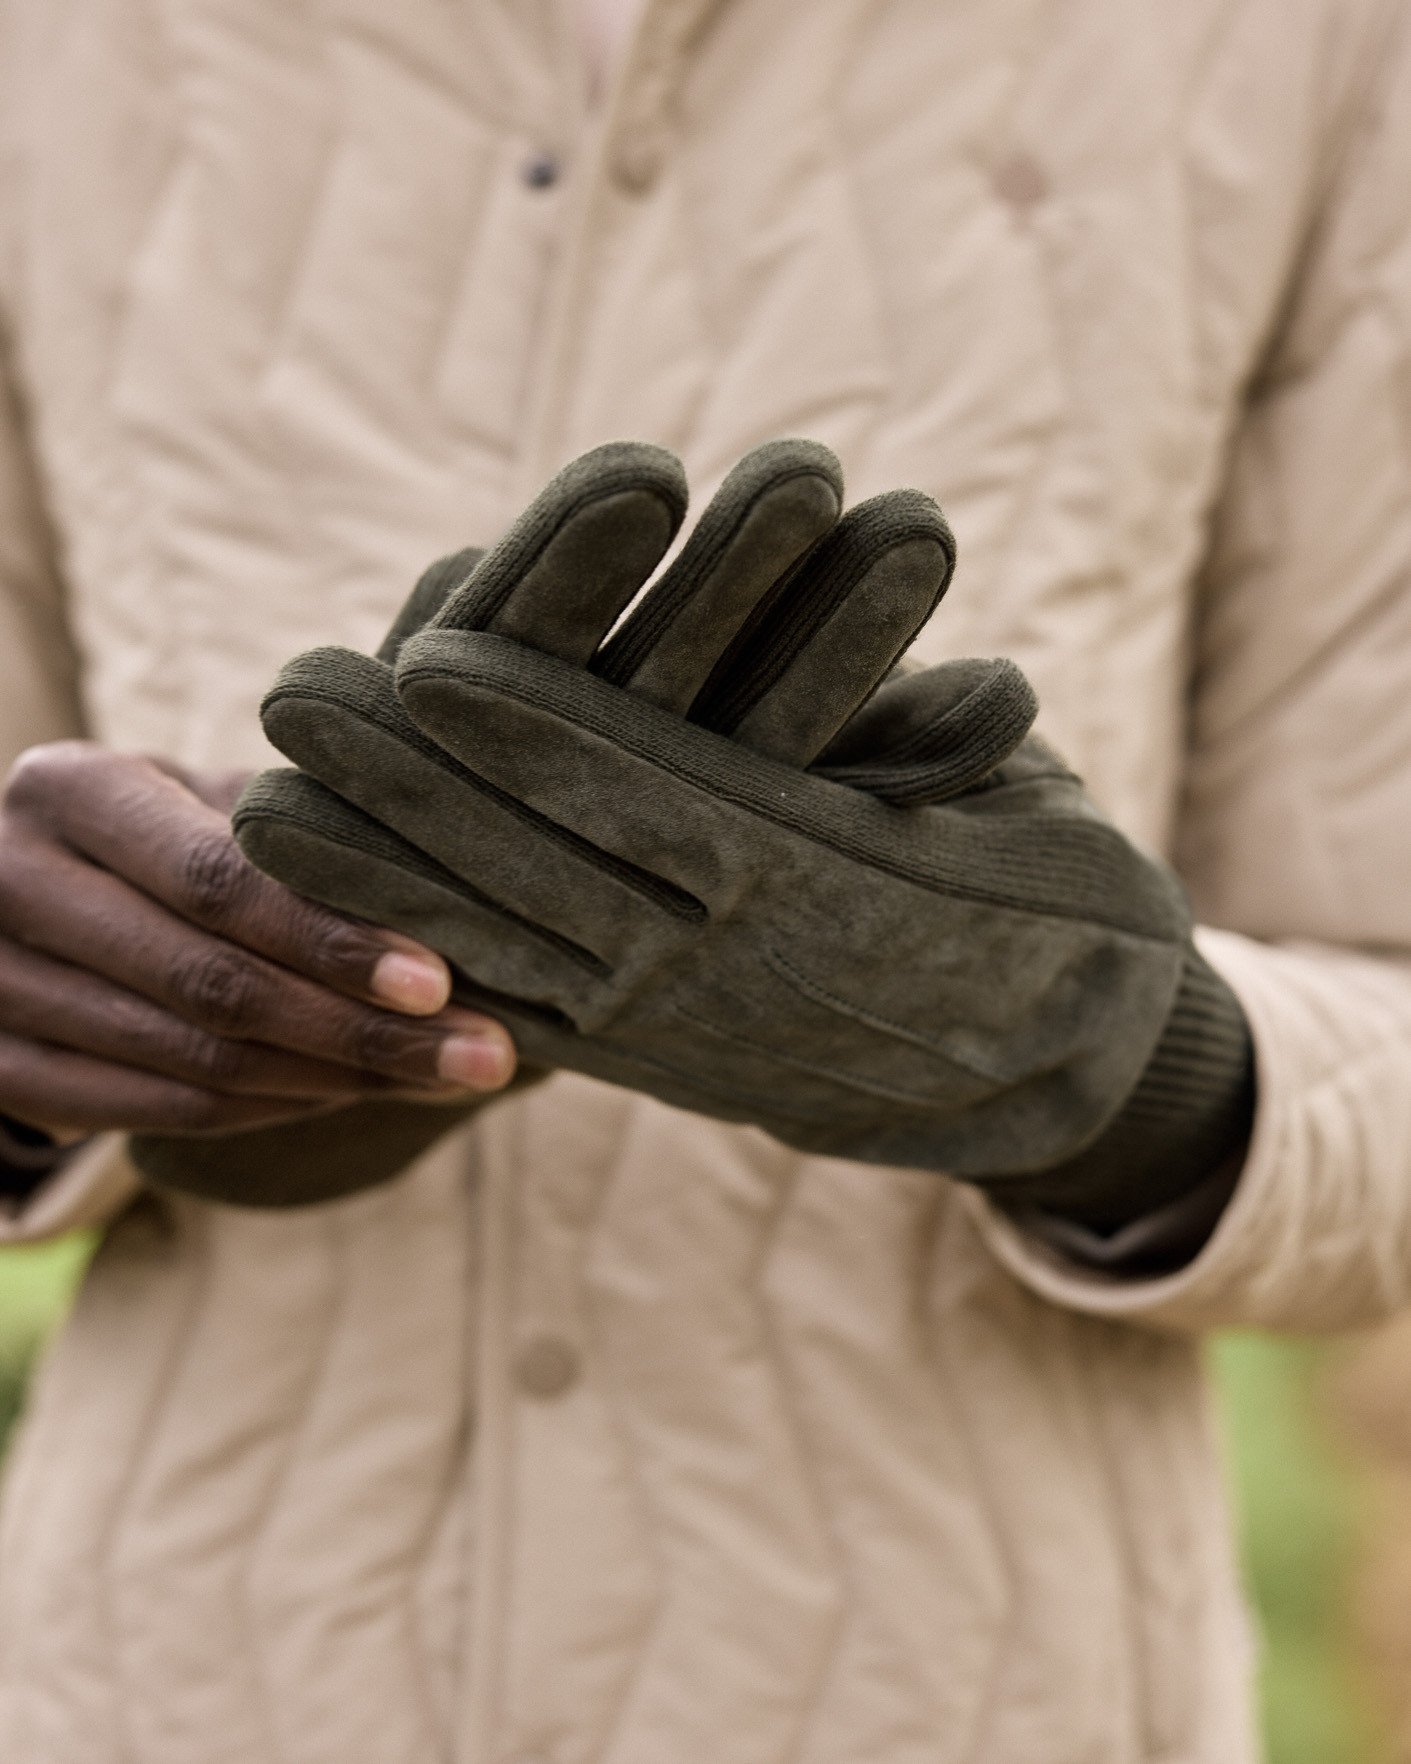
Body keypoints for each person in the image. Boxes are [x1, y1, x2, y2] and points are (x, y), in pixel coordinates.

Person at [0, 0, 1407, 1757]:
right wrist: (109, 1008)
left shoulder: (1316, 42)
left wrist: (1100, 1058)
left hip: (978, 1692)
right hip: (175, 1686)